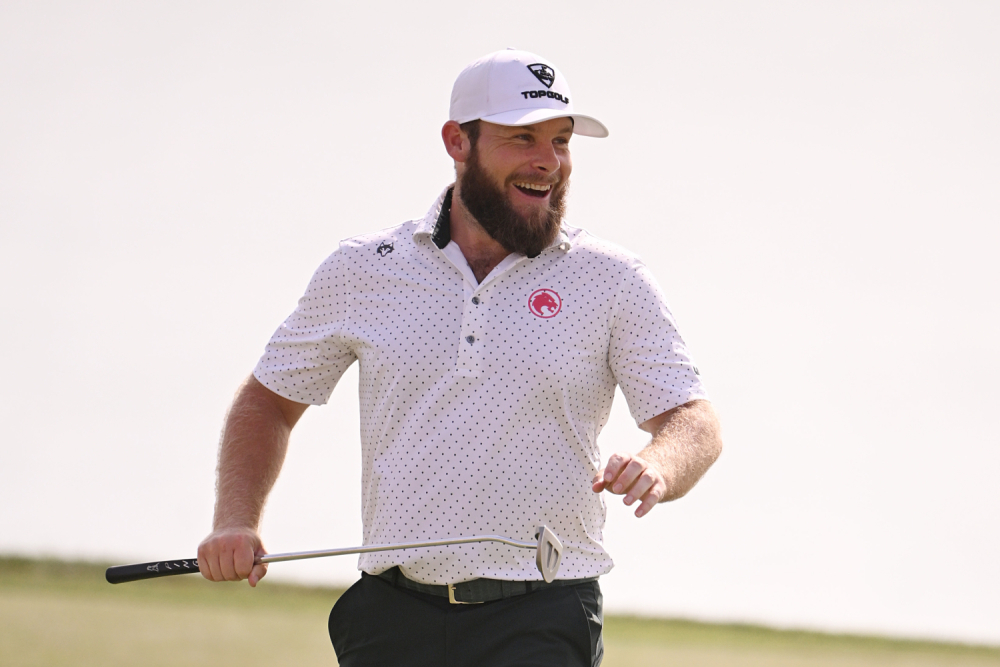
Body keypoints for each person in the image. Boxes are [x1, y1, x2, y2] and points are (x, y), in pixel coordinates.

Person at [197, 48, 723, 667]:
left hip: (542, 613)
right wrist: (235, 518)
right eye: (522, 138)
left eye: (560, 141)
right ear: (458, 142)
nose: (547, 162)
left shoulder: (610, 279)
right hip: (391, 617)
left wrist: (659, 464)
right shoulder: (365, 270)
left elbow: (693, 420)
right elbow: (268, 400)